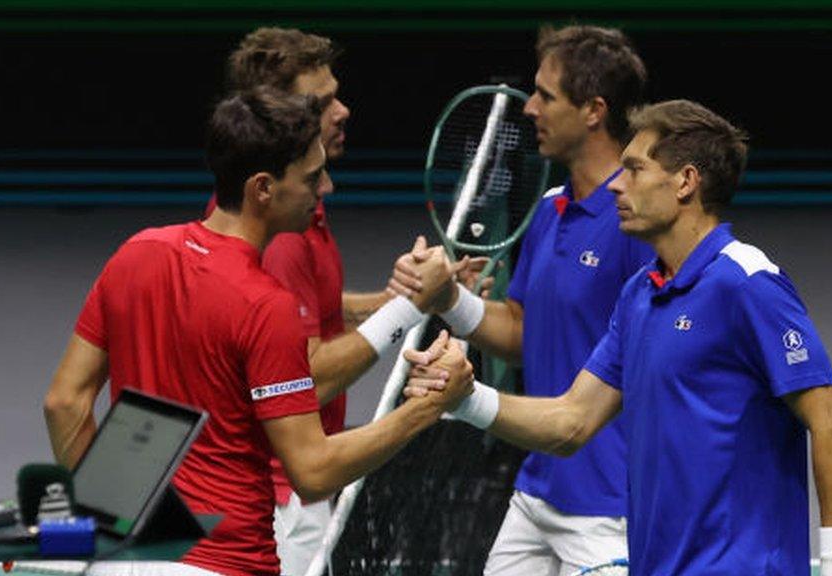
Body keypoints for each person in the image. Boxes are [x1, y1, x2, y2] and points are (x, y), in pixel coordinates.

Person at [407, 99, 832, 576]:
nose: (617, 186)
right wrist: (464, 398)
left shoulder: (749, 283)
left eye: (635, 170)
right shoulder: (639, 295)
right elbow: (571, 422)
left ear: (686, 181)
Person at [43, 90, 472, 576]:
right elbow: (313, 472)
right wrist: (427, 408)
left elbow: (65, 403)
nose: (326, 187)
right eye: (312, 177)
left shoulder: (137, 253)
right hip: (224, 564)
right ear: (262, 188)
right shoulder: (266, 306)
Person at [391, 25, 652, 576]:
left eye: (545, 95)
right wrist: (448, 298)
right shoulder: (552, 211)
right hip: (537, 491)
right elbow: (521, 336)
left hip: (611, 508)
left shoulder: (638, 226)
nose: (528, 107)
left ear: (594, 111)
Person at [222, 28, 476, 575]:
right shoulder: (286, 236)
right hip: (281, 495)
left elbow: (299, 312)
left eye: (336, 93)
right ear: (279, 119)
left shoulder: (277, 212)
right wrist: (408, 308)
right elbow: (307, 379)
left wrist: (397, 298)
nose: (342, 110)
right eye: (320, 104)